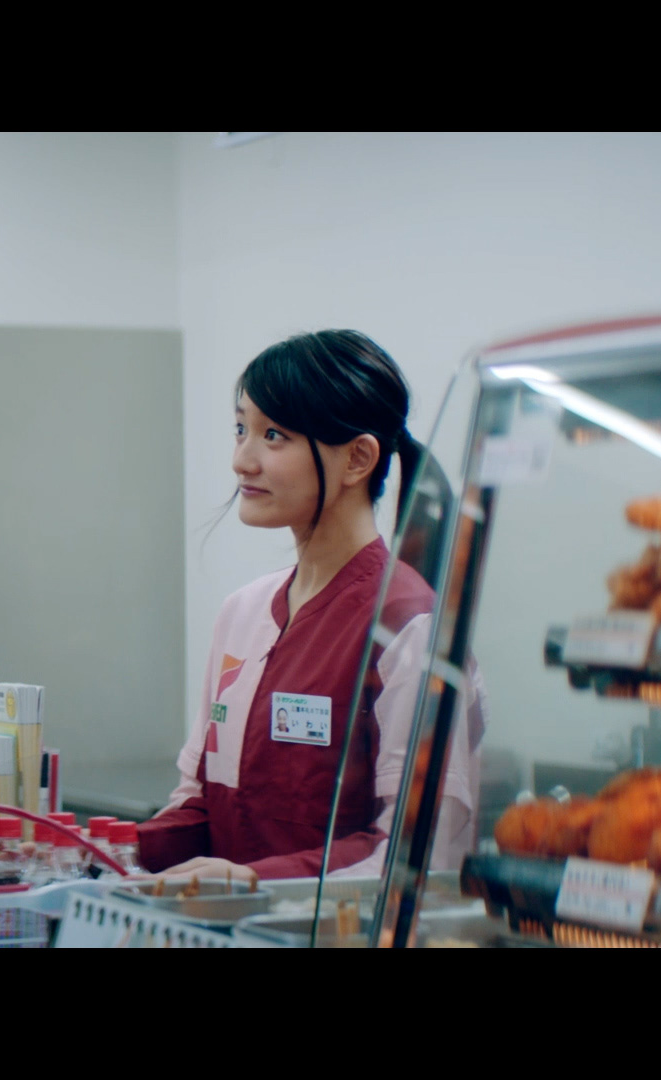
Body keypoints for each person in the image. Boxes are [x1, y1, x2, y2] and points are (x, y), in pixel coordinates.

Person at [137, 330, 484, 884]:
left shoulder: (411, 629)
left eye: (273, 435)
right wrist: (105, 851)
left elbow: (414, 854)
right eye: (241, 429)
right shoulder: (241, 613)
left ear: (358, 458)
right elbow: (200, 799)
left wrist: (253, 881)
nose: (242, 461)